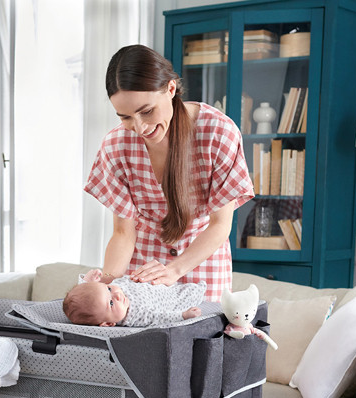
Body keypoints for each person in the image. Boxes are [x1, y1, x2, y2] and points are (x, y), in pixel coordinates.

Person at [84, 44, 254, 302]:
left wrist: (174, 270)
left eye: (146, 111)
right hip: (143, 276)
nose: (139, 127)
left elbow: (220, 225)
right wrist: (104, 287)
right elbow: (123, 233)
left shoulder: (219, 133)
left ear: (171, 89)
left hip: (203, 270)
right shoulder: (115, 145)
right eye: (125, 117)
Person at [62, 268, 204, 327]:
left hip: (158, 281)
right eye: (111, 303)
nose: (117, 295)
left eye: (109, 288)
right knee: (192, 293)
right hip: (171, 299)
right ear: (108, 323)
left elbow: (87, 296)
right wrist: (183, 315)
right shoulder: (135, 315)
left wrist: (87, 282)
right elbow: (159, 318)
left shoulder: (115, 290)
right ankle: (199, 290)